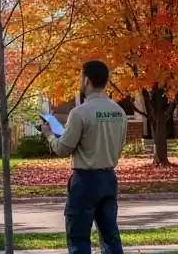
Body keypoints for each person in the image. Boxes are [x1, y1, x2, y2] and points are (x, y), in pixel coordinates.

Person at [40, 60, 127, 254]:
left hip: (85, 180)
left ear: (86, 80)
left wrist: (49, 134)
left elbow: (63, 149)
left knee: (78, 238)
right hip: (109, 178)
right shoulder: (119, 112)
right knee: (110, 237)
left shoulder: (79, 113)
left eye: (81, 77)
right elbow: (118, 147)